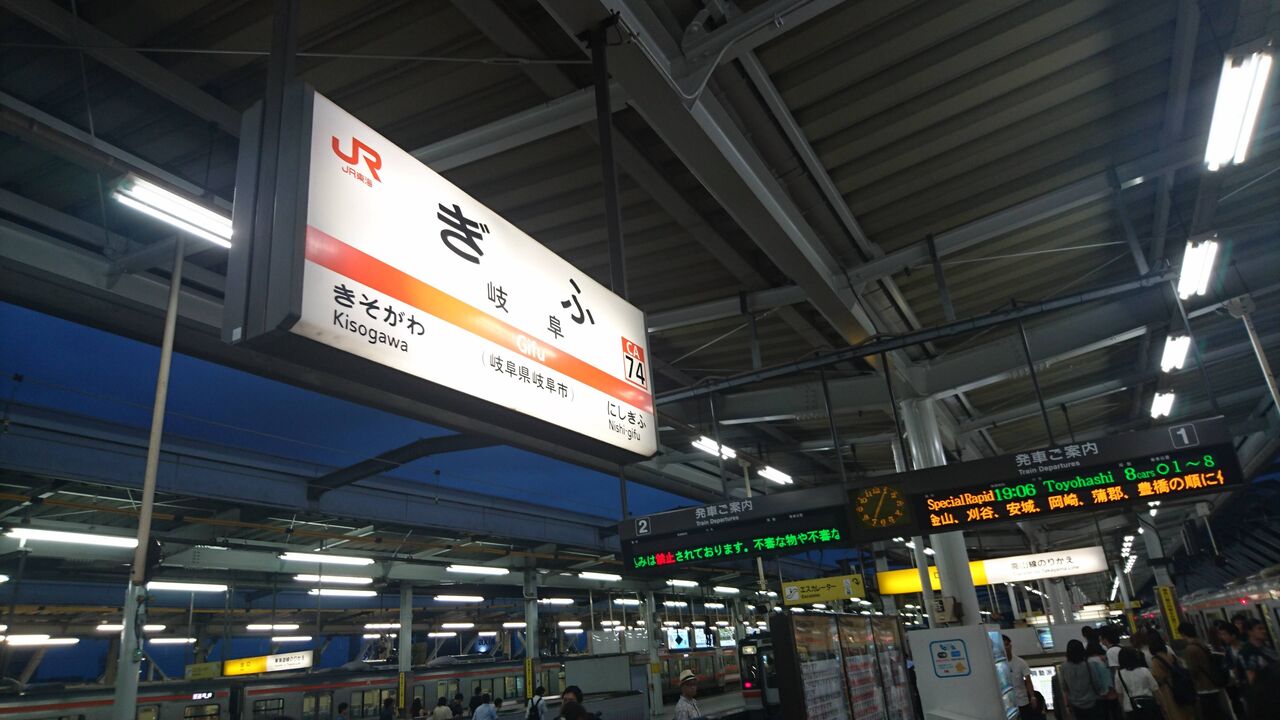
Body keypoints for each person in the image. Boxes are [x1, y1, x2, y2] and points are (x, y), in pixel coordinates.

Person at [1179, 622, 1233, 720]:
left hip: (1204, 687)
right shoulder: (1202, 644)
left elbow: (1193, 671)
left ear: (1183, 634)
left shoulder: (1190, 649)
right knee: (1219, 711)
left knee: (1212, 714)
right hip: (1213, 681)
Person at [1149, 634, 1195, 720]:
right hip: (1178, 685)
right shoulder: (1169, 655)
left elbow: (1157, 677)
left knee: (1174, 712)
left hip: (1168, 690)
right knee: (1184, 712)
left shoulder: (1155, 660)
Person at [1061, 639, 1105, 720]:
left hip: (1075, 704)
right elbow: (1096, 682)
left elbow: (1065, 688)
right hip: (1092, 701)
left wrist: (1066, 705)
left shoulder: (1064, 667)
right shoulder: (1088, 664)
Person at [1116, 647, 1162, 720]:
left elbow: (1120, 694)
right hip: (1148, 704)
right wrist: (1160, 704)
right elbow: (1155, 689)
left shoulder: (1118, 674)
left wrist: (1122, 708)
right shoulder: (1144, 671)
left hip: (1130, 707)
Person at [1004, 635, 1039, 719]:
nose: (1006, 648)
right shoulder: (999, 664)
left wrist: (1032, 696)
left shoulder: (1020, 662)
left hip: (1022, 700)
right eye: (1003, 645)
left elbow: (1028, 680)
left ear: (1010, 646)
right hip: (1007, 702)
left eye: (1007, 644)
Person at [1236, 619, 1276, 685]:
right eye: (1260, 629)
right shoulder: (1247, 652)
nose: (1264, 631)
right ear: (1250, 632)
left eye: (1264, 628)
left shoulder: (1266, 647)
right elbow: (1252, 679)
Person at [1088, 640, 1120, 719]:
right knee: (1116, 713)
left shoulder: (1091, 661)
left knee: (1105, 714)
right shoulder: (1105, 657)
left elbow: (1095, 678)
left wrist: (1097, 690)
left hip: (1102, 693)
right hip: (1112, 689)